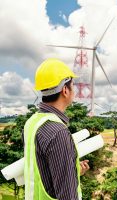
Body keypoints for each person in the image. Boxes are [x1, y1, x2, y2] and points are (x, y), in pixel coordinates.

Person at [23, 58, 89, 200]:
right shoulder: (58, 132)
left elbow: (42, 168)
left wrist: (73, 170)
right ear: (65, 90)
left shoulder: (32, 122)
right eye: (73, 85)